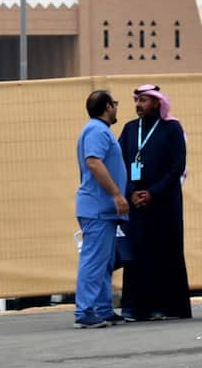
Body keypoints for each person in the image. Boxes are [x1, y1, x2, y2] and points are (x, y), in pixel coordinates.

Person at [117, 86, 191, 321]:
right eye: (136, 100)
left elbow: (177, 166)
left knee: (165, 252)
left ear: (158, 103)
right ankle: (135, 308)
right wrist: (131, 191)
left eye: (144, 100)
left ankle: (166, 307)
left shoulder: (172, 128)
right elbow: (119, 164)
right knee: (138, 253)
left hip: (164, 203)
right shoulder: (129, 129)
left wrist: (153, 193)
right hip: (136, 203)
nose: (138, 104)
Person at [74, 90, 129, 328]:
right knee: (94, 260)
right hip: (97, 209)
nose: (117, 108)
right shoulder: (97, 131)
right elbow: (93, 162)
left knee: (105, 260)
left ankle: (103, 309)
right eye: (114, 104)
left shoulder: (98, 130)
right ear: (107, 107)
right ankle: (84, 312)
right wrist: (116, 194)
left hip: (103, 210)